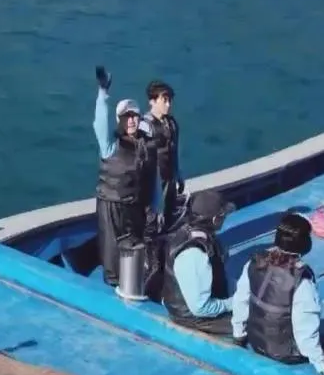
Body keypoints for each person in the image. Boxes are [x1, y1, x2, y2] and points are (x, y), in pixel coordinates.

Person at [231, 214, 324, 375]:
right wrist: (322, 365)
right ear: (305, 243)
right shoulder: (301, 281)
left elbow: (241, 300)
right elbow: (305, 330)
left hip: (256, 341)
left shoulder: (254, 262)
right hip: (283, 352)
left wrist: (239, 335)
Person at [92, 65, 159, 287]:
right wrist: (103, 93)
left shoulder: (146, 146)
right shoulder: (110, 146)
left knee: (136, 252)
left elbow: (153, 180)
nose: (131, 120)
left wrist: (155, 207)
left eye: (134, 116)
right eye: (126, 117)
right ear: (119, 120)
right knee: (112, 258)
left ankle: (133, 285)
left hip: (135, 207)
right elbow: (100, 123)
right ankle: (112, 288)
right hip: (111, 207)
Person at [160, 190, 235, 335]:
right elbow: (201, 308)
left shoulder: (189, 232)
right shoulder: (194, 253)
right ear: (215, 220)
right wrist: (234, 303)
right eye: (223, 215)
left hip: (201, 306)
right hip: (193, 318)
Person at [142, 80, 184, 231]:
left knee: (169, 216)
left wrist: (179, 175)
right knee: (154, 220)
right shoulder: (145, 126)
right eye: (164, 100)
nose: (168, 104)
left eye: (169, 100)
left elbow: (175, 150)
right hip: (154, 183)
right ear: (152, 101)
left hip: (169, 179)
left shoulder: (172, 124)